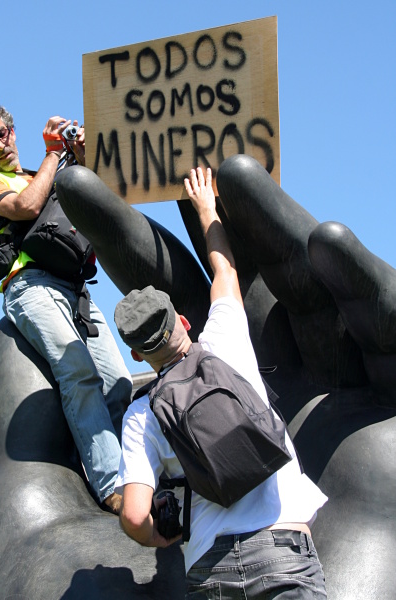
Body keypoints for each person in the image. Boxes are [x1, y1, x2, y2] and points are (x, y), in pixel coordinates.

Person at [113, 167, 328, 598]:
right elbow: (224, 270)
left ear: (136, 354)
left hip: (209, 571)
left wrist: (161, 538)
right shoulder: (224, 342)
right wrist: (206, 208)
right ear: (186, 322)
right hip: (281, 548)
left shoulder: (141, 415)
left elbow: (135, 517)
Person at [0, 98, 132, 513]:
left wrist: (81, 154)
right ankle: (111, 486)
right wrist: (55, 153)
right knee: (78, 371)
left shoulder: (45, 172)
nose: (1, 144)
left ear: (13, 131)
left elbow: (95, 199)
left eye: (4, 133)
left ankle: (141, 478)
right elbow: (27, 207)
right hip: (30, 286)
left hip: (76, 291)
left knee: (120, 382)